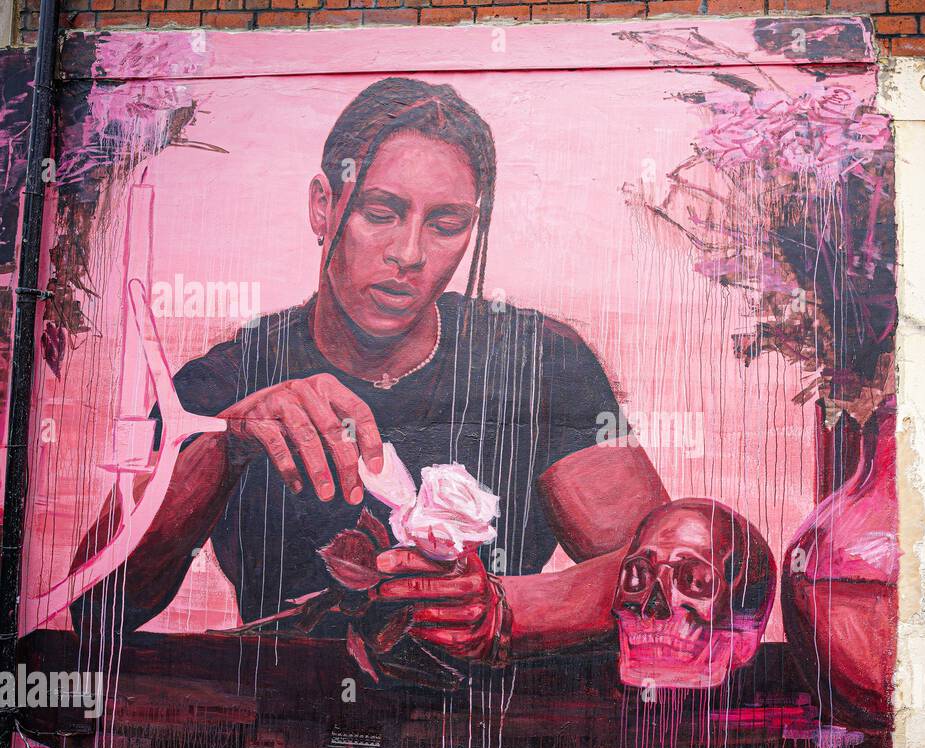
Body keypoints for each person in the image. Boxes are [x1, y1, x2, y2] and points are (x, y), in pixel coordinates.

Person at [69, 78, 674, 664]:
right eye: (381, 212)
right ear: (322, 206)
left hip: (493, 733)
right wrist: (224, 447)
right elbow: (97, 607)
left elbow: (666, 565)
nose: (409, 254)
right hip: (280, 727)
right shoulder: (229, 380)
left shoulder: (538, 360)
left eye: (445, 224)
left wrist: (506, 608)